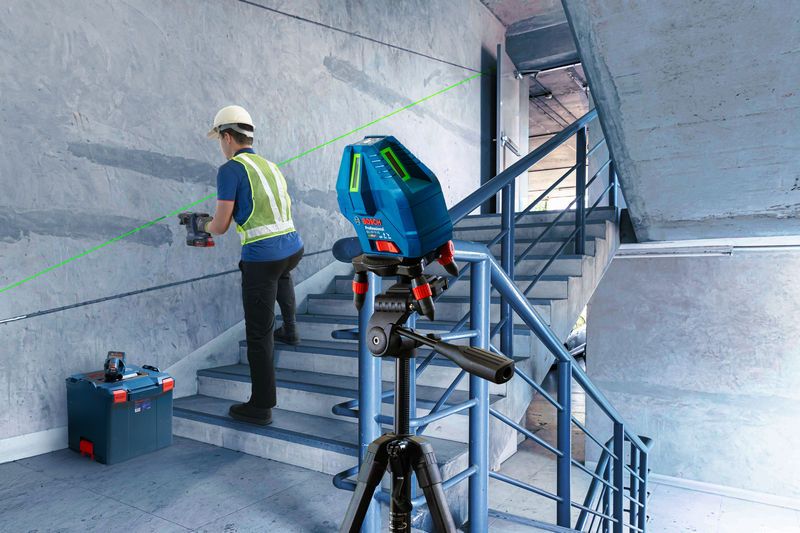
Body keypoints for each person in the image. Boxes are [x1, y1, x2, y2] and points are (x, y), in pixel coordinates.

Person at [199, 105, 303, 426]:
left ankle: (261, 406)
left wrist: (201, 225)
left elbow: (220, 225)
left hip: (263, 258)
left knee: (258, 334)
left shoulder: (229, 169)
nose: (221, 145)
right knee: (282, 275)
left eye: (220, 138)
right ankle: (291, 329)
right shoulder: (270, 166)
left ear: (228, 137)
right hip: (292, 248)